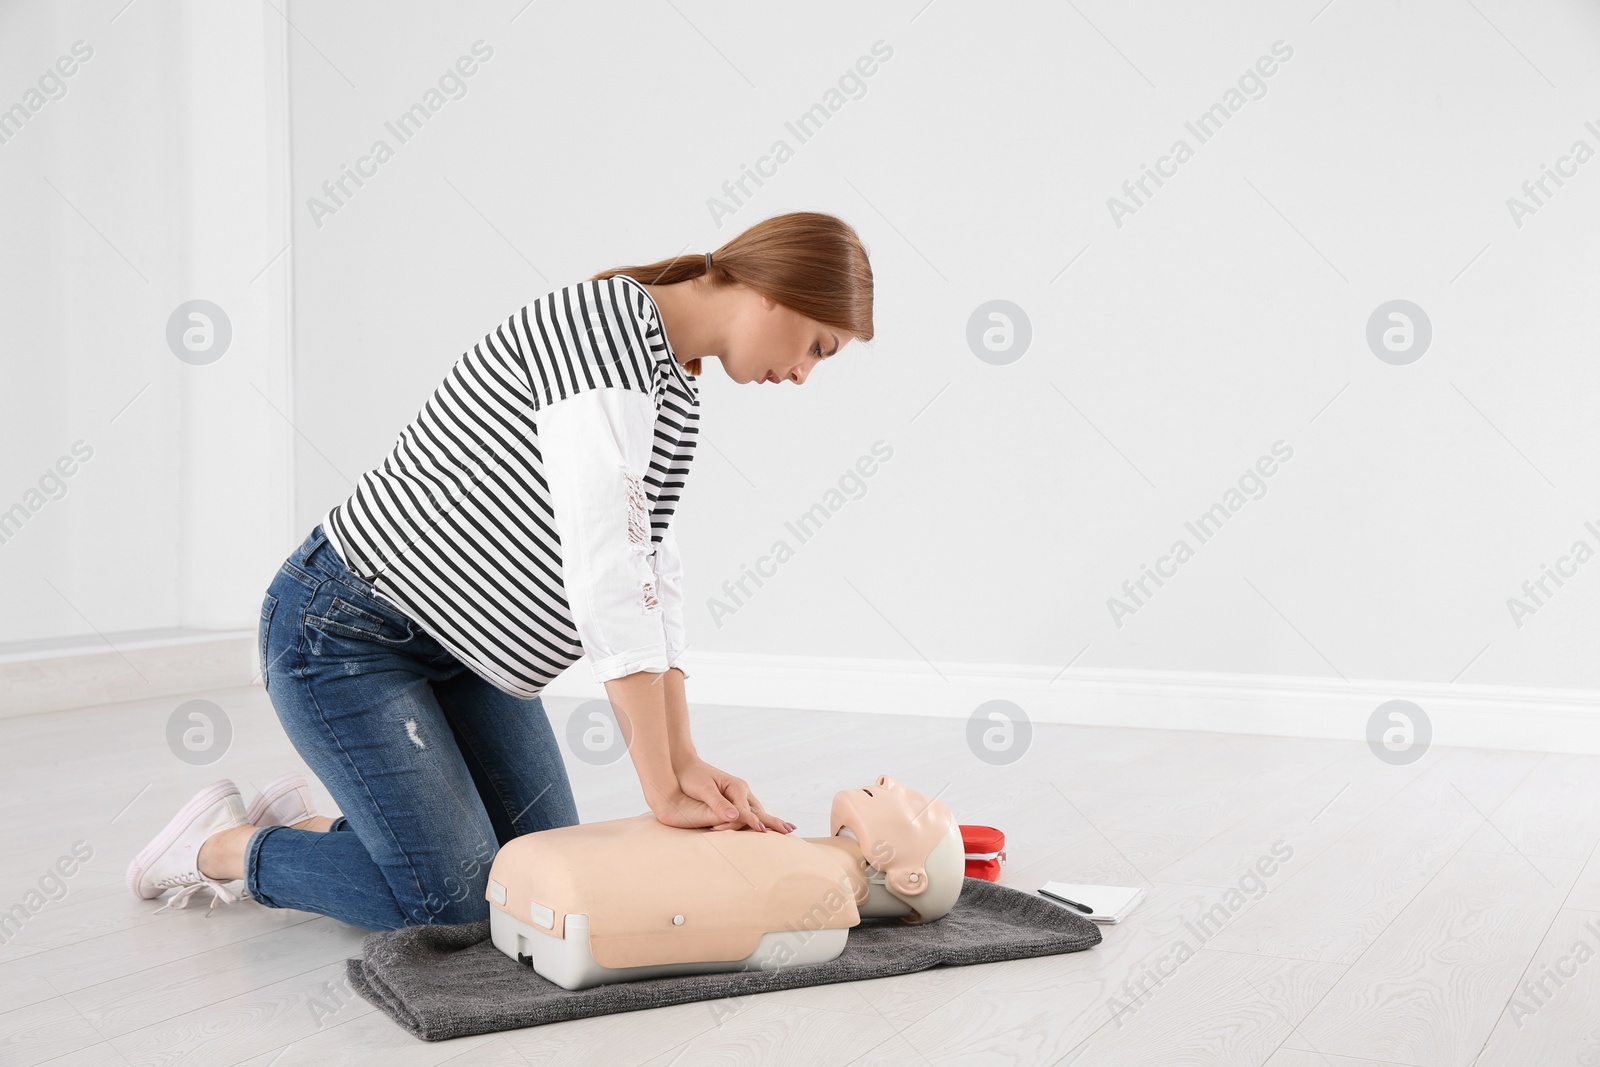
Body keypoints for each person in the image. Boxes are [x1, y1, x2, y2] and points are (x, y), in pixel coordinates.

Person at [124, 210, 876, 930]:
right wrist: (658, 785)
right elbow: (603, 562)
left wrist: (686, 762)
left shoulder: (676, 381)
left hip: (468, 660)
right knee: (459, 905)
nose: (805, 373)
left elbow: (651, 571)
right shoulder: (607, 331)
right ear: (781, 292)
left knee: (535, 874)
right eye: (818, 346)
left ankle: (311, 825)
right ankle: (220, 844)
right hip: (347, 636)